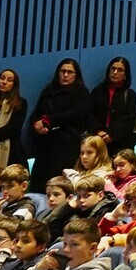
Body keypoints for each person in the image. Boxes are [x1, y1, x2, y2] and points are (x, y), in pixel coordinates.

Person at [25, 62, 93, 192]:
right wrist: (37, 125)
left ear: (76, 75)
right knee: (40, 186)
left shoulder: (81, 93)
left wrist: (48, 120)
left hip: (67, 146)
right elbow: (35, 115)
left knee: (61, 187)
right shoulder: (48, 92)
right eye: (63, 71)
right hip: (46, 145)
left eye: (70, 72)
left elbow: (76, 114)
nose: (65, 75)